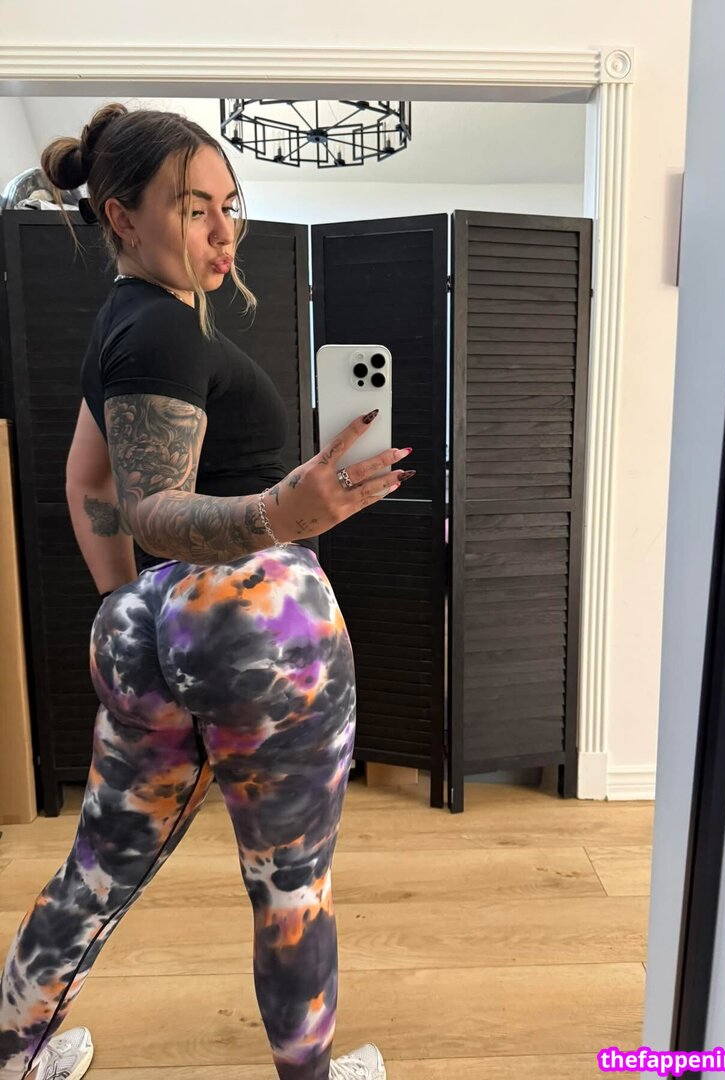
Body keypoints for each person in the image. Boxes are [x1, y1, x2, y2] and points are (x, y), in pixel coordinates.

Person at [0, 103, 416, 1080]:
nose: (226, 231)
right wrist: (283, 511)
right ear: (121, 217)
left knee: (98, 869)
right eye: (195, 209)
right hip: (260, 624)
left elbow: (87, 480)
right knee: (290, 884)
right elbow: (153, 508)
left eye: (230, 205)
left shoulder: (123, 321)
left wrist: (128, 610)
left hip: (158, 625)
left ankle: (15, 1054)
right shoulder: (166, 333)